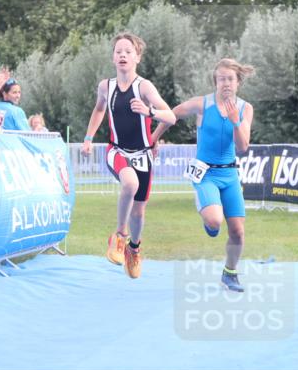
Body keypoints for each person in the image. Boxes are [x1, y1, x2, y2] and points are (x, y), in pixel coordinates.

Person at [152, 58, 254, 292]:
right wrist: (154, 138)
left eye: (230, 79)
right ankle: (209, 218)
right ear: (215, 82)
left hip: (229, 175)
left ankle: (230, 273)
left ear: (238, 82)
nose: (226, 83)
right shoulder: (202, 104)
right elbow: (171, 115)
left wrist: (235, 121)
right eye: (221, 79)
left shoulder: (245, 109)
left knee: (238, 232)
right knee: (215, 220)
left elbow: (242, 146)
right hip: (205, 173)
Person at [80, 32, 176, 279]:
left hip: (142, 154)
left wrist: (149, 112)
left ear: (137, 58)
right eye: (118, 51)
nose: (122, 55)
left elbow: (171, 117)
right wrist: (89, 138)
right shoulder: (106, 86)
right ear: (113, 57)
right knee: (130, 184)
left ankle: (134, 248)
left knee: (139, 212)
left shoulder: (144, 87)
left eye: (128, 51)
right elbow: (99, 110)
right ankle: (120, 236)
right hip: (117, 149)